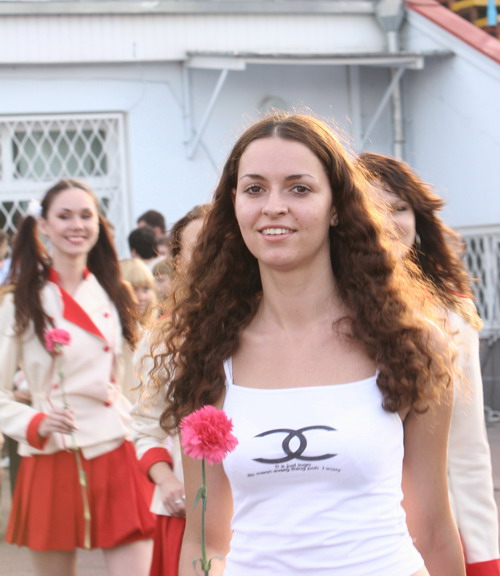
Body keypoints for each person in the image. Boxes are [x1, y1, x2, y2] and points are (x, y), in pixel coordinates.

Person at [147, 113, 466, 575]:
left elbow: (434, 532)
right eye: (255, 189)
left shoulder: (410, 344)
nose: (274, 206)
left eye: (299, 188)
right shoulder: (205, 354)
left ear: (336, 206)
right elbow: (206, 542)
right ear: (234, 206)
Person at [0, 179, 155, 576]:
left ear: (98, 224)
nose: (77, 225)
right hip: (51, 451)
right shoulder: (21, 301)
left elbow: (134, 384)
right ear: (44, 226)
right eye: (64, 216)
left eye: (86, 216)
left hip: (115, 445)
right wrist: (33, 421)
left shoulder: (115, 293)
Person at [357, 151, 500, 576]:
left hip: (428, 530)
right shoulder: (308, 311)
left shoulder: (449, 315)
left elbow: (466, 445)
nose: (389, 221)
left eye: (400, 208)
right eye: (372, 208)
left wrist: (483, 552)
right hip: (344, 528)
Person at [131, 203, 210, 576]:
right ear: (179, 261)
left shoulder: (275, 324)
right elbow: (144, 424)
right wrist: (166, 480)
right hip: (188, 511)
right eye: (200, 247)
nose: (213, 255)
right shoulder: (163, 337)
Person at [119, 258, 159, 328]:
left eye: (145, 289)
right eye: (133, 289)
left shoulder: (154, 330)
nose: (142, 297)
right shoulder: (110, 331)